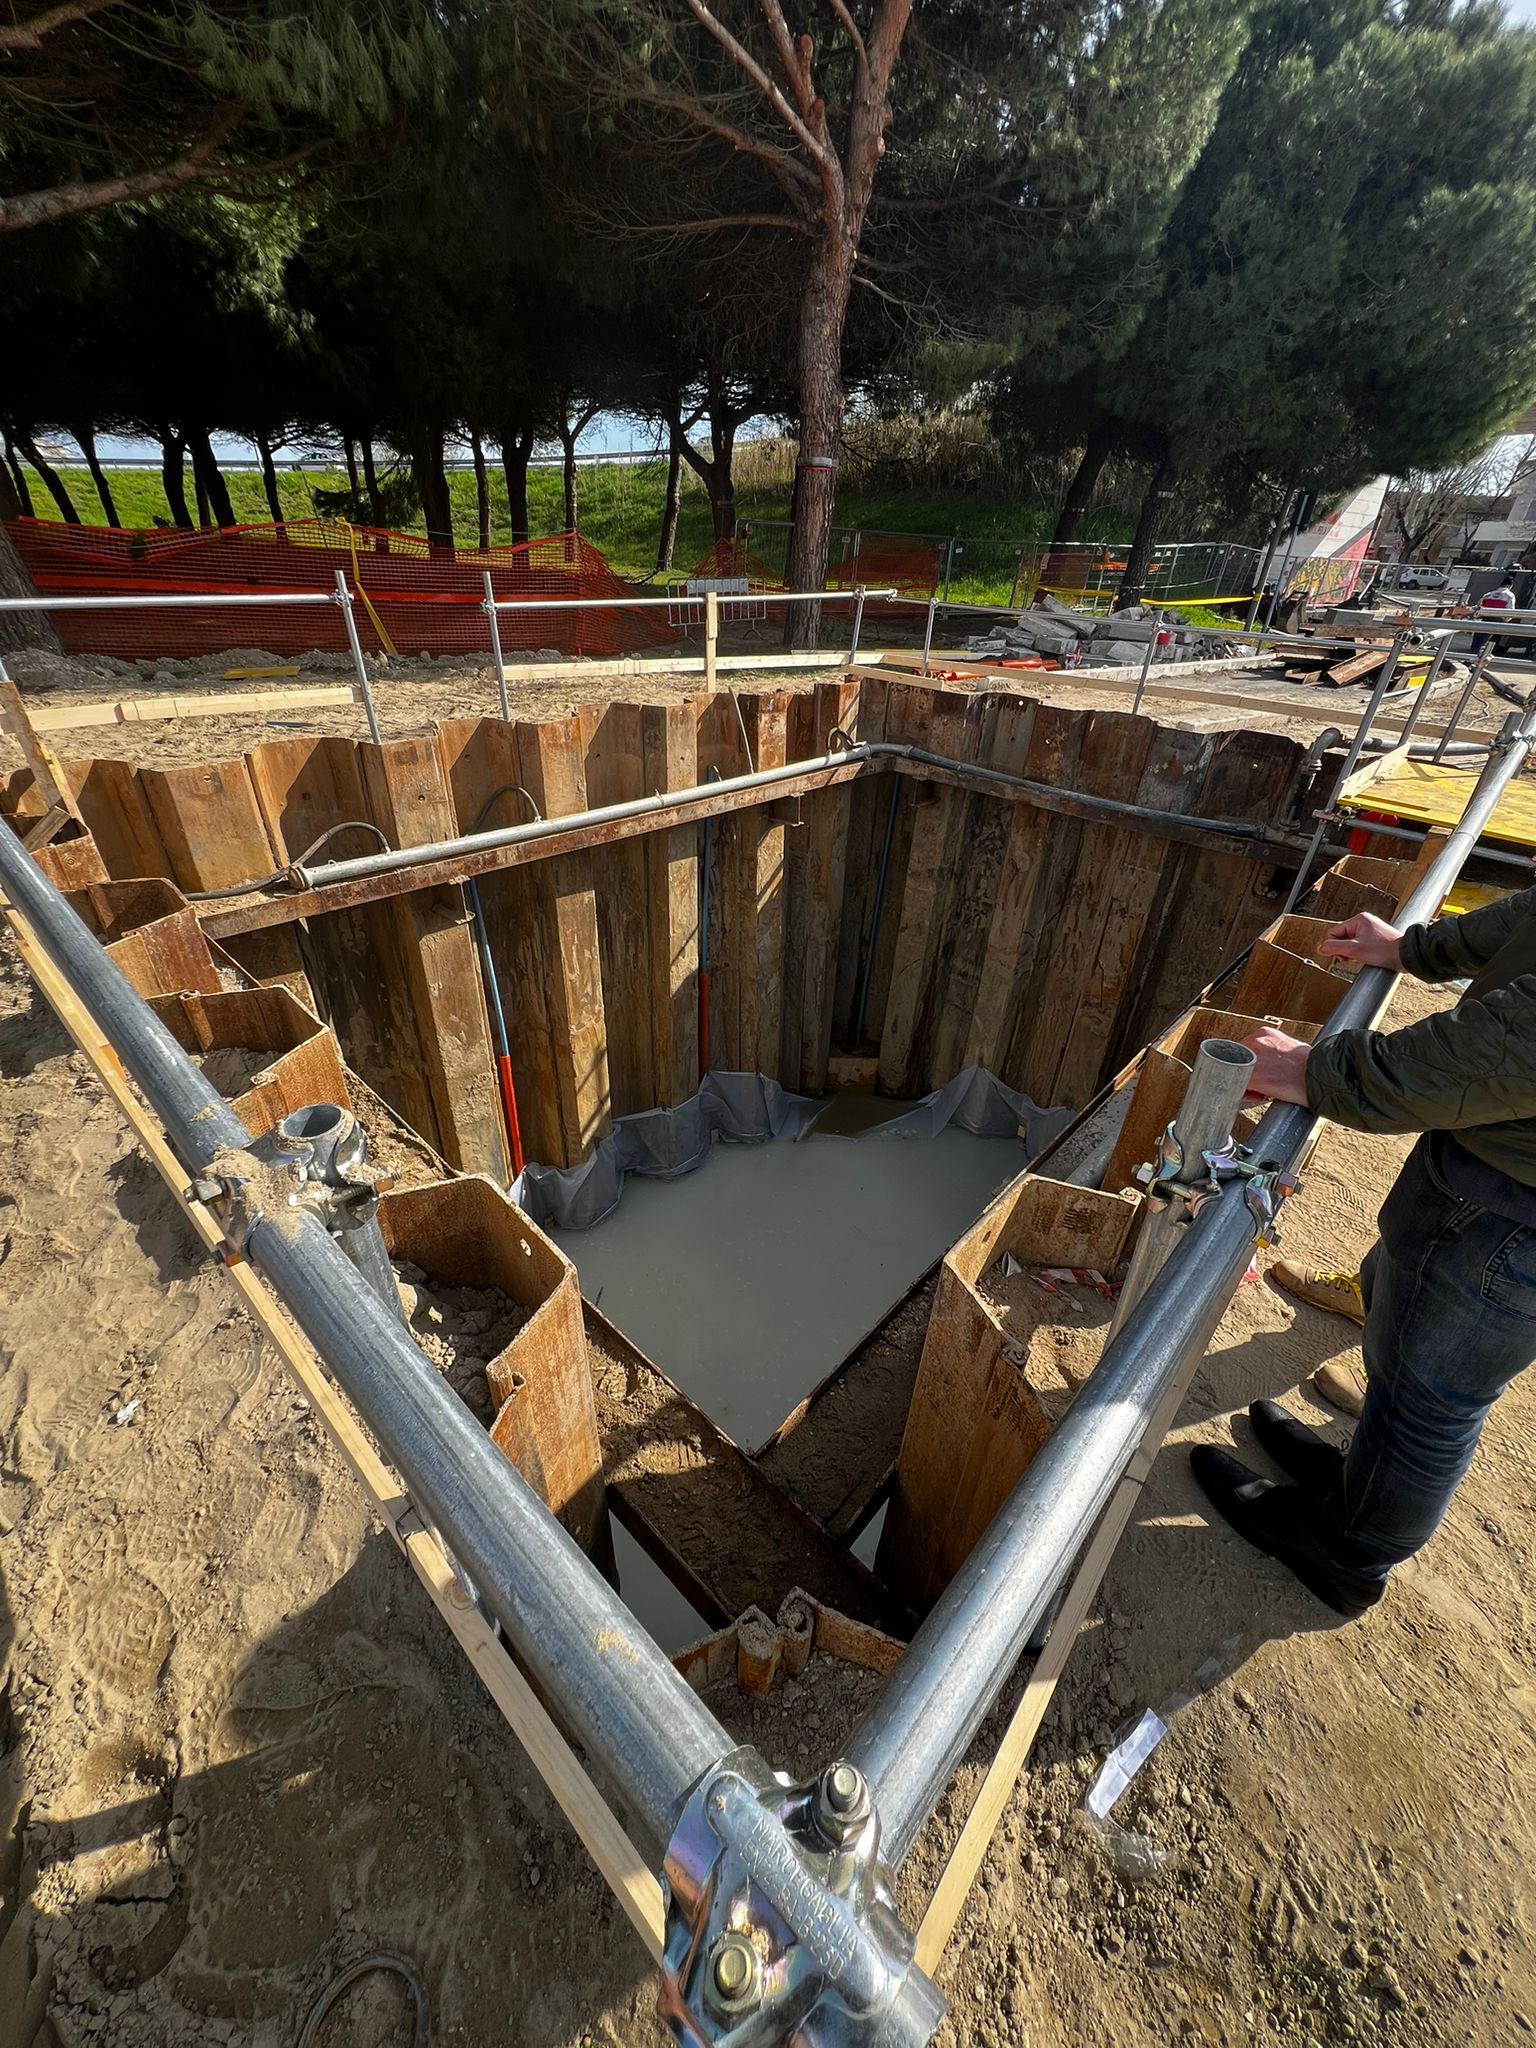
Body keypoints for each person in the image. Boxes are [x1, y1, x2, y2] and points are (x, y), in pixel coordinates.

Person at [1191, 887, 1536, 1617]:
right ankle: (1359, 1488)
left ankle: (1348, 1554)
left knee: (1430, 1401)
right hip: (1495, 1161)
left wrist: (1324, 1074)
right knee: (1401, 1337)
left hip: (1513, 1202)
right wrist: (1414, 950)